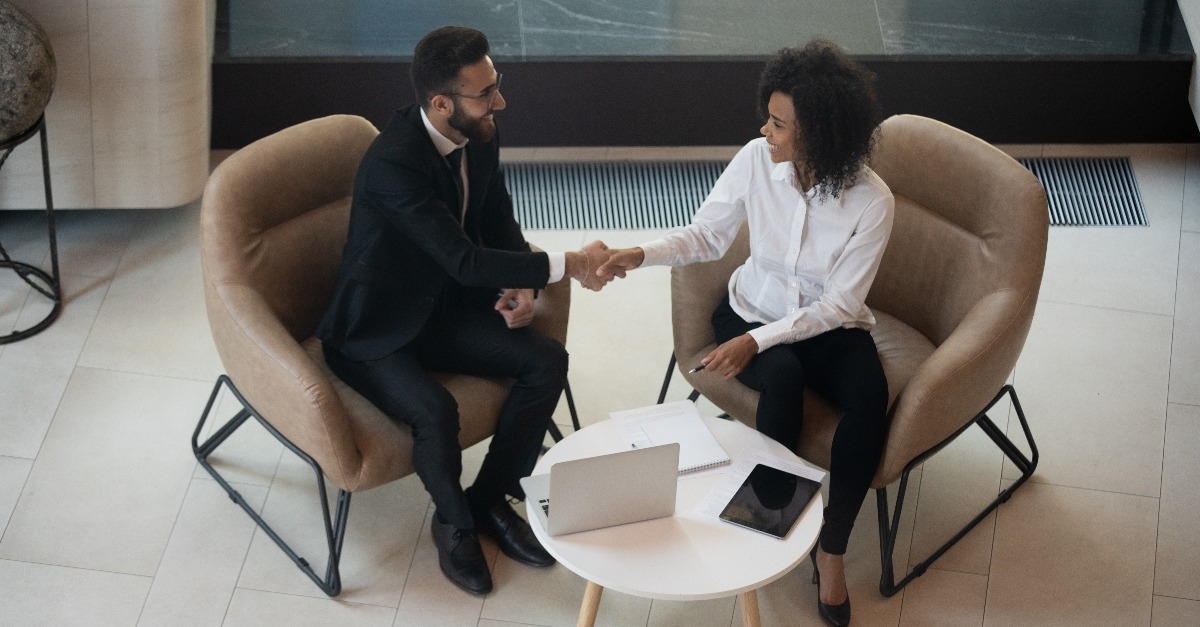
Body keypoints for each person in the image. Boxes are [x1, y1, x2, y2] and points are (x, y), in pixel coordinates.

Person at [598, 39, 893, 626]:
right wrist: (641, 251)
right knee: (780, 377)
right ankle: (767, 518)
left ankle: (830, 551)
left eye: (780, 123)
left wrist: (757, 343)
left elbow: (839, 305)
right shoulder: (756, 160)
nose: (766, 130)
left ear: (820, 133)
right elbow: (706, 237)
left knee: (871, 399)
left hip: (825, 326)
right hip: (751, 309)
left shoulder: (872, 202)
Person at [316, 25, 611, 596]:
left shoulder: (480, 133)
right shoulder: (393, 164)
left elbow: (495, 217)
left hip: (441, 310)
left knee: (546, 360)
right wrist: (565, 264)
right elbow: (462, 259)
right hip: (375, 329)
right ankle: (454, 525)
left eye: (497, 84)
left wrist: (521, 278)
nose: (499, 101)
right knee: (435, 410)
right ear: (441, 103)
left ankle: (488, 501)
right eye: (486, 92)